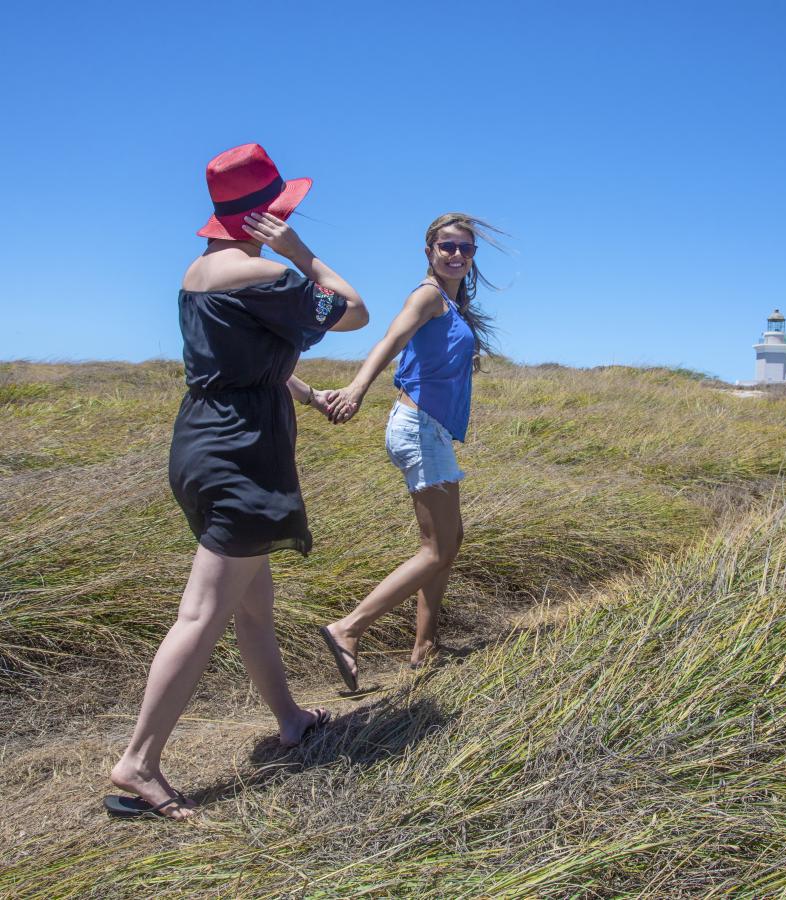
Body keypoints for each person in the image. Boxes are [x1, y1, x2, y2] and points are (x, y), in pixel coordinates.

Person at [105, 144, 368, 820]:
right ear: (263, 217)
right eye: (282, 212)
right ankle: (138, 763)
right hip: (241, 456)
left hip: (200, 444)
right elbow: (354, 309)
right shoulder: (263, 275)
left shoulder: (201, 271)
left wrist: (307, 395)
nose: (288, 219)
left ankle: (290, 720)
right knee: (203, 613)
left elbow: (246, 361)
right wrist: (301, 249)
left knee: (252, 604)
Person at [319, 212, 502, 691]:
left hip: (433, 430)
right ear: (430, 251)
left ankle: (424, 646)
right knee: (435, 547)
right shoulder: (427, 296)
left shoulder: (452, 305)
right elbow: (392, 339)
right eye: (448, 246)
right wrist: (357, 387)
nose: (457, 254)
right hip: (418, 428)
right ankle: (348, 628)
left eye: (465, 248)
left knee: (450, 541)